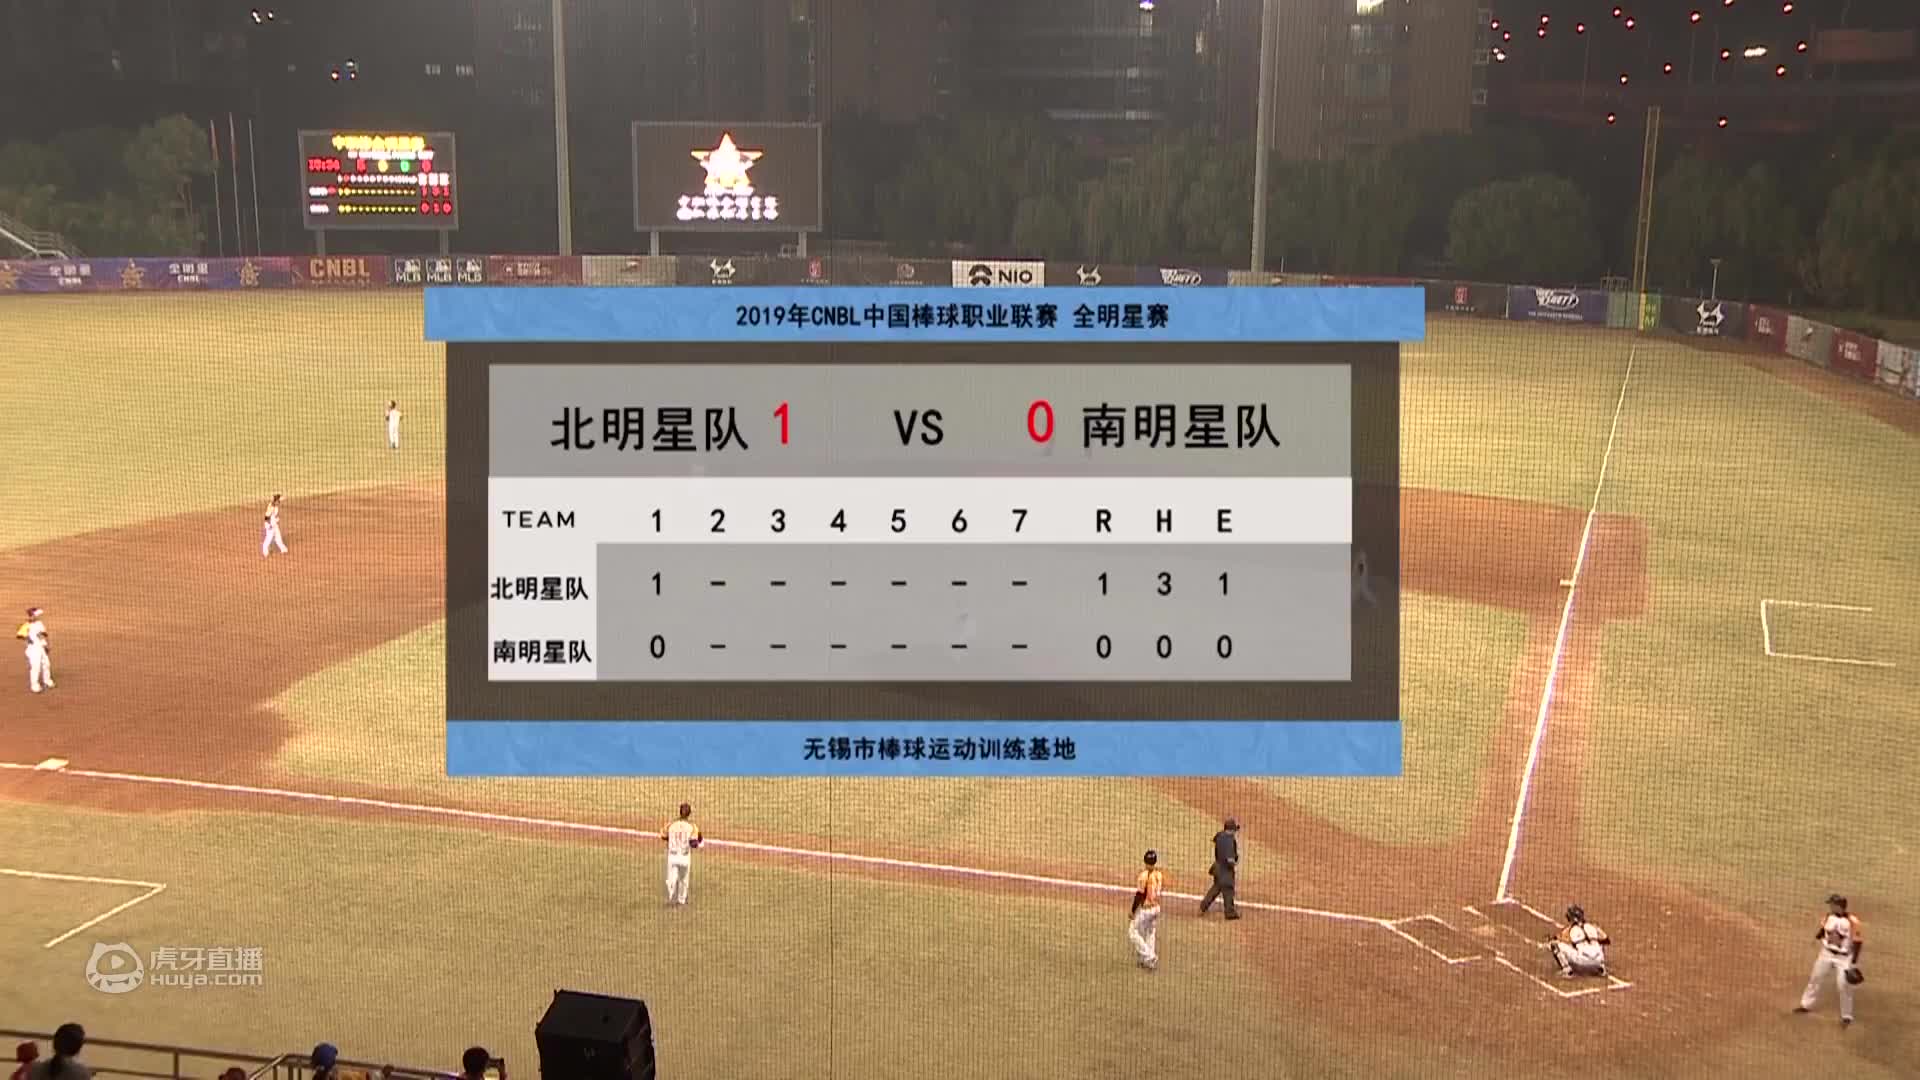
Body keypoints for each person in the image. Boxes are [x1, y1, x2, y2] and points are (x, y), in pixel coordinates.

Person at [1796, 893, 1863, 1027]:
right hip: (1826, 953)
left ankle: (1846, 1015)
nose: (1830, 906)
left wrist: (1853, 962)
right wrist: (1816, 938)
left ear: (1839, 906)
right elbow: (1823, 929)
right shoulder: (1828, 916)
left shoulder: (1853, 922)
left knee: (1843, 985)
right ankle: (1805, 1005)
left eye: (1832, 904)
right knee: (1815, 978)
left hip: (1844, 957)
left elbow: (1857, 942)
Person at [1547, 904, 1611, 977]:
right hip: (1599, 959)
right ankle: (1601, 968)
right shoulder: (1593, 926)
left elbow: (1558, 939)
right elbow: (1607, 940)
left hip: (1582, 962)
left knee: (1555, 945)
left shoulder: (1569, 929)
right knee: (1598, 943)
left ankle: (1567, 970)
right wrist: (1591, 939)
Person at [1128, 850, 1166, 972]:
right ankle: (1149, 962)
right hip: (1156, 908)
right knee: (1150, 932)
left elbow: (1139, 895)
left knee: (1132, 931)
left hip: (1146, 909)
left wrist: (1133, 911)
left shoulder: (1144, 876)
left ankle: (1149, 956)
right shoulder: (1159, 875)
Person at [1198, 817, 1241, 920]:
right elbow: (1229, 859)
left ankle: (1203, 907)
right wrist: (1234, 863)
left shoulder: (1220, 835)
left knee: (1216, 888)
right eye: (1234, 830)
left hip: (1217, 868)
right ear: (1231, 830)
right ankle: (1230, 912)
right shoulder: (1229, 840)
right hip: (1225, 870)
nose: (1235, 832)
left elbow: (1215, 840)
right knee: (1228, 890)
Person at [662, 802, 702, 906]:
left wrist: (672, 839)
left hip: (672, 856)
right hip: (684, 858)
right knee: (683, 880)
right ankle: (681, 900)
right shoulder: (692, 826)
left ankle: (671, 897)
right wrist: (698, 844)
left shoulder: (671, 824)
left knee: (671, 879)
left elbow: (663, 836)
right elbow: (694, 843)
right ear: (689, 813)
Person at [16, 606, 51, 693]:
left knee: (46, 664)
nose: (38, 616)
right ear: (32, 615)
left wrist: (46, 645)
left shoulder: (39, 623)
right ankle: (35, 685)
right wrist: (27, 637)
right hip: (33, 649)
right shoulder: (26, 625)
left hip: (41, 647)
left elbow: (43, 634)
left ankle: (47, 681)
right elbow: (19, 635)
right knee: (36, 667)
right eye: (37, 615)